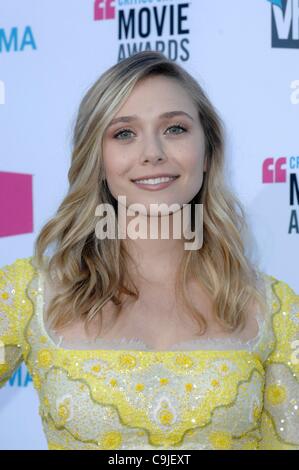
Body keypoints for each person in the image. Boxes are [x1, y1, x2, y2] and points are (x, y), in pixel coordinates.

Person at [0, 51, 298, 450]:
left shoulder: (275, 310)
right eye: (124, 133)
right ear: (97, 158)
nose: (152, 152)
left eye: (174, 129)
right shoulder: (26, 295)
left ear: (207, 151)